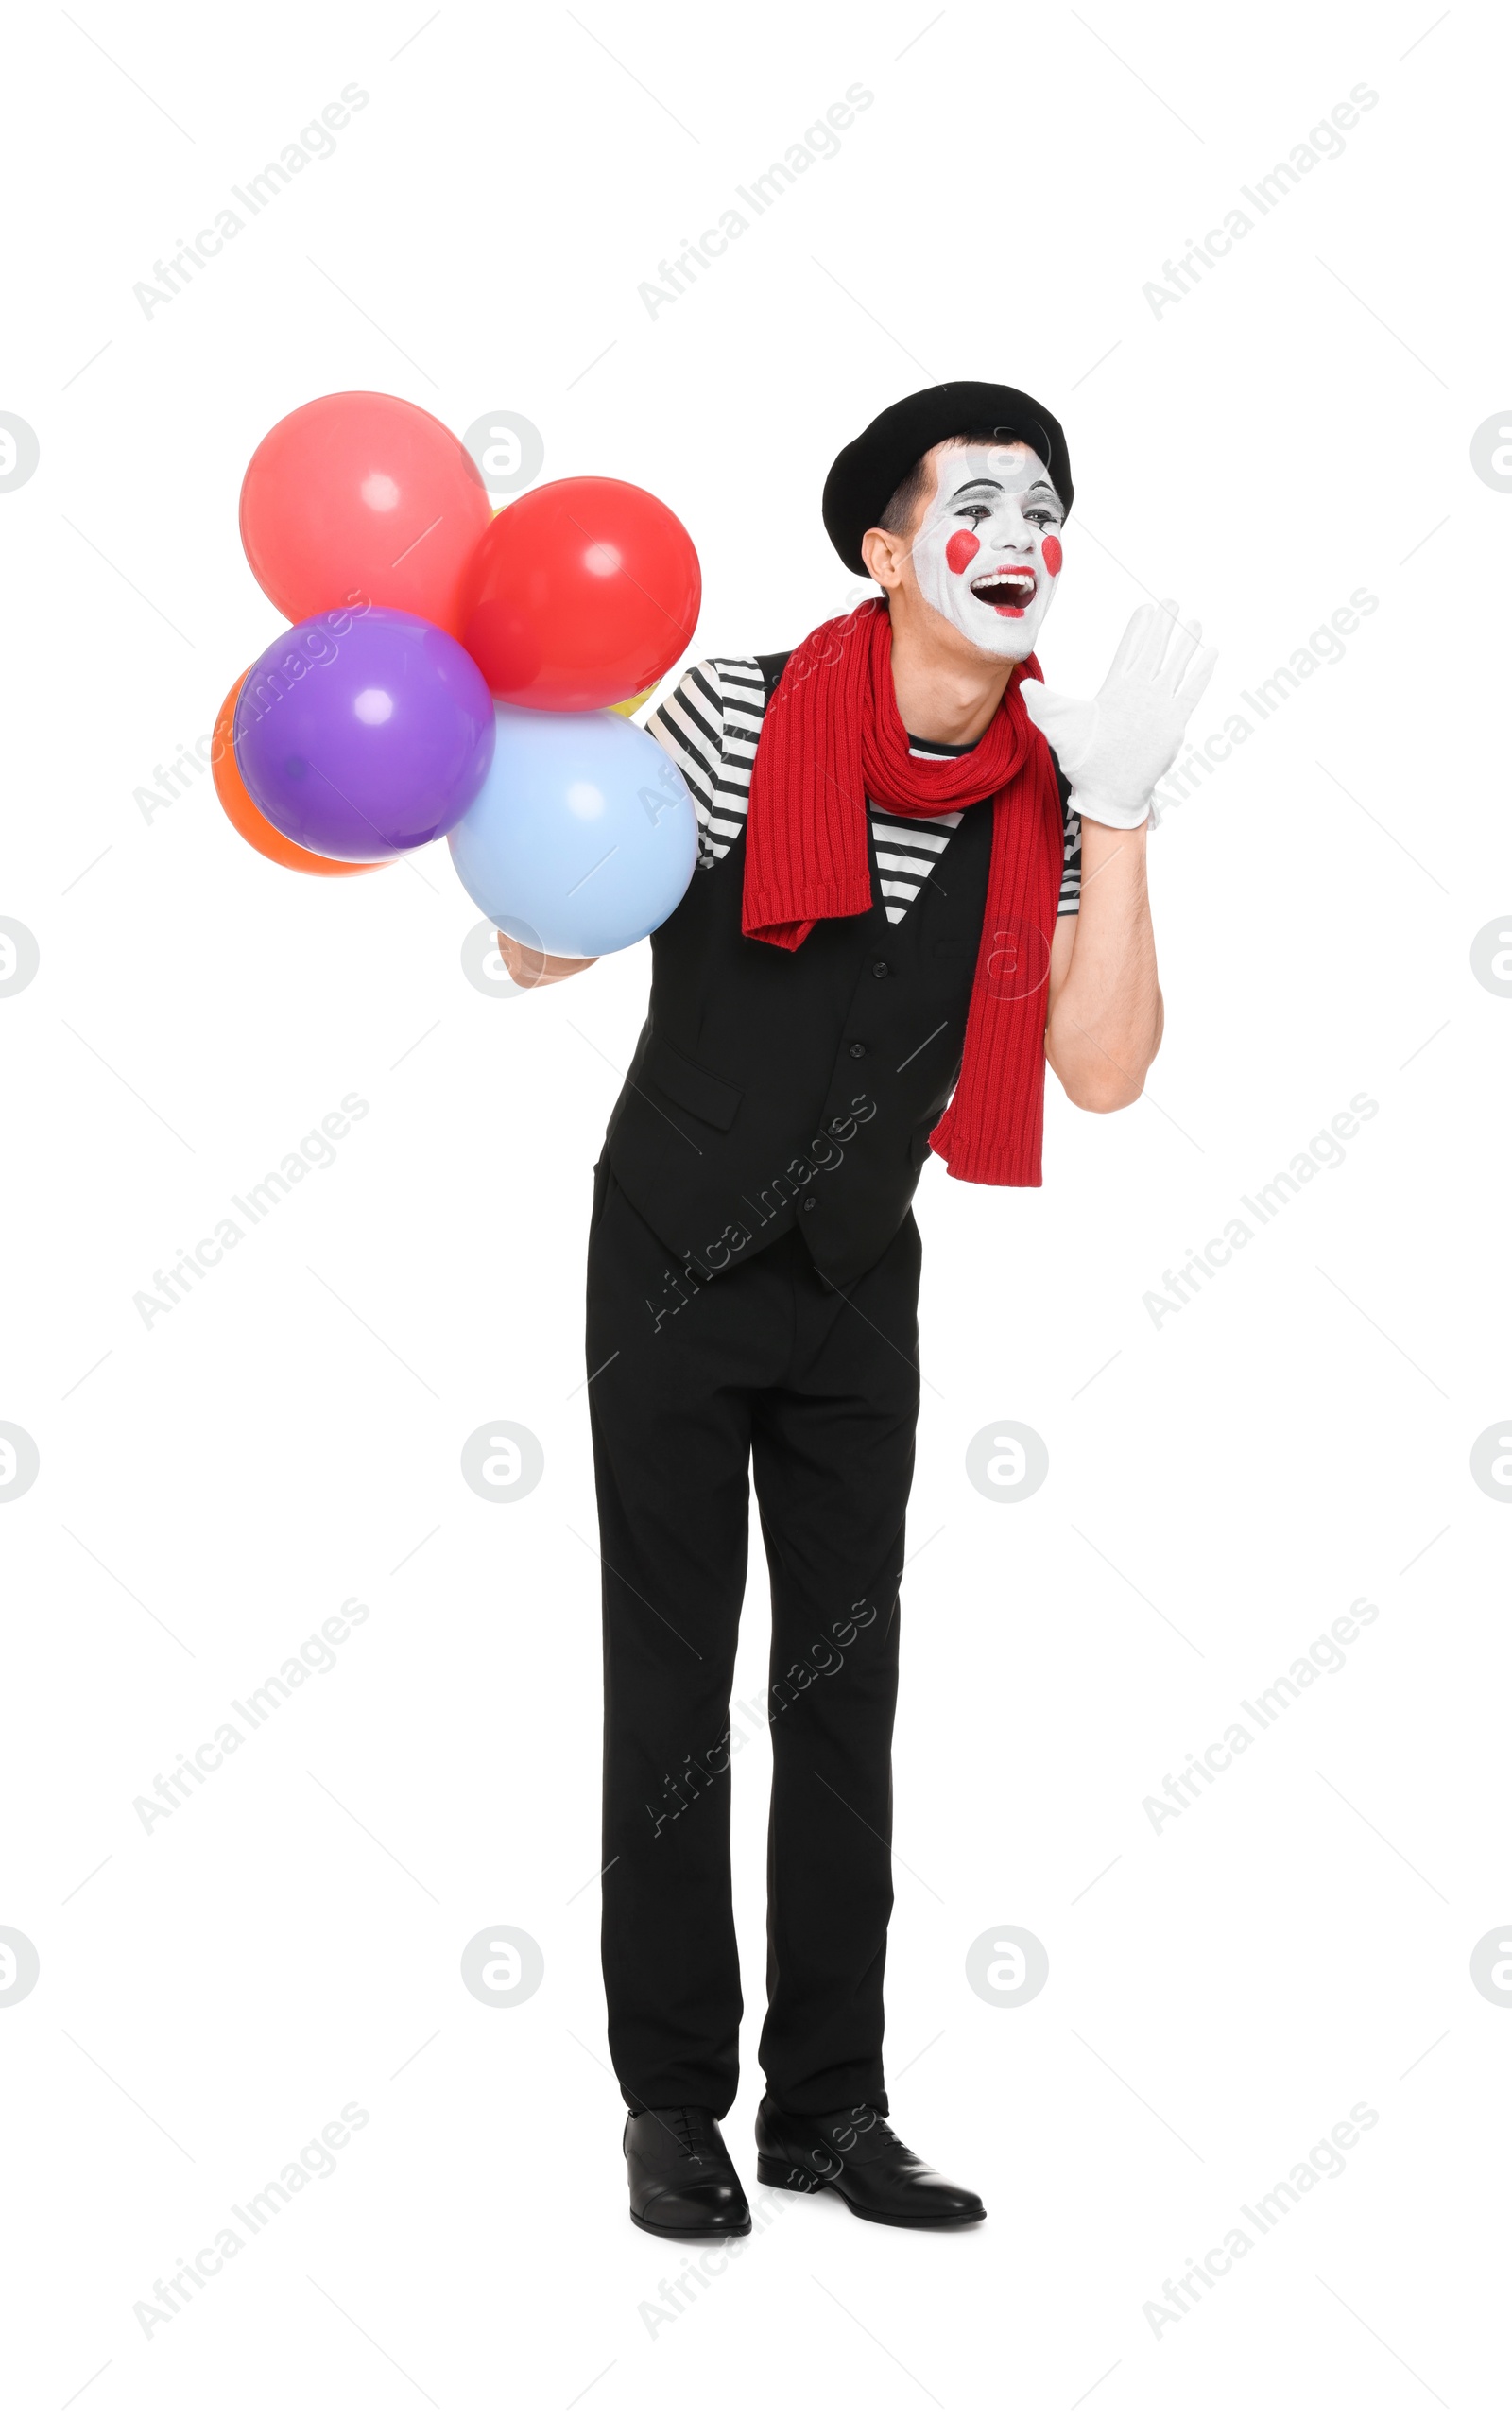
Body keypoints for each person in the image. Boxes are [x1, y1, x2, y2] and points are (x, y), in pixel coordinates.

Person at [498, 382, 1215, 2238]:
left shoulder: (1053, 780)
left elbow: (1104, 1065)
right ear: (889, 553)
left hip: (851, 1284)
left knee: (842, 1697)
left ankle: (826, 2101)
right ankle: (675, 2101)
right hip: (663, 1258)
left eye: (1041, 504)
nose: (1017, 531)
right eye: (972, 501)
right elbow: (565, 907)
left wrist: (1124, 815)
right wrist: (523, 873)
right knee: (670, 1695)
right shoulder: (741, 710)